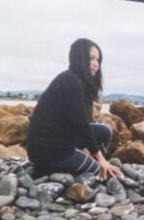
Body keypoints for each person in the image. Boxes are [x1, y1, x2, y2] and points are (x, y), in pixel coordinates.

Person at [25, 38, 122, 180]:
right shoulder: (70, 81)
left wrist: (99, 157)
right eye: (91, 58)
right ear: (79, 58)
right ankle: (45, 169)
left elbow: (86, 122)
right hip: (47, 149)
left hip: (64, 139)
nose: (96, 64)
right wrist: (100, 159)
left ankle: (93, 164)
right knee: (99, 173)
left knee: (105, 131)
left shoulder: (82, 83)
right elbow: (81, 125)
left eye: (98, 60)